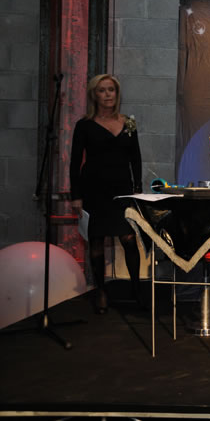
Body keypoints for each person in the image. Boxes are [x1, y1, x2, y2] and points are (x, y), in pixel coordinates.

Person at [70, 74, 144, 314]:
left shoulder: (129, 122)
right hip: (94, 189)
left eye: (111, 89)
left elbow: (136, 158)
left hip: (122, 191)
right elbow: (74, 163)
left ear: (117, 93)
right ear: (94, 95)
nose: (108, 94)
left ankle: (137, 290)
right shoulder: (84, 125)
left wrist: (137, 188)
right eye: (102, 90)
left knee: (129, 239)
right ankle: (100, 291)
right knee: (97, 241)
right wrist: (76, 195)